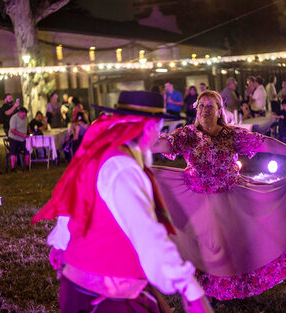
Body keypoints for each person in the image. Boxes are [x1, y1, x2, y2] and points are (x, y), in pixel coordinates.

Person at [31, 90, 213, 313]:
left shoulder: (102, 154)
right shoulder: (123, 168)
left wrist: (61, 243)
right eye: (159, 127)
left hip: (82, 287)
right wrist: (191, 291)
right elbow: (147, 233)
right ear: (149, 128)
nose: (159, 134)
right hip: (106, 296)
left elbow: (75, 201)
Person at [151, 90, 286, 300]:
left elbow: (264, 142)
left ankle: (225, 287)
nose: (204, 110)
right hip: (196, 197)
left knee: (232, 246)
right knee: (203, 248)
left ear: (219, 111)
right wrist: (134, 146)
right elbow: (165, 143)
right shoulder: (187, 135)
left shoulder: (232, 134)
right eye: (201, 106)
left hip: (231, 197)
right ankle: (202, 292)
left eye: (210, 106)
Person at [8, 107, 30, 172]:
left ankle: (27, 165)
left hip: (23, 139)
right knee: (13, 152)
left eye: (25, 115)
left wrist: (29, 132)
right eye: (23, 115)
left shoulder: (26, 118)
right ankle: (12, 168)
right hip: (14, 138)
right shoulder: (14, 118)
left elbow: (27, 125)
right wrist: (22, 135)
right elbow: (12, 130)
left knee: (27, 150)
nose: (24, 117)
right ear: (19, 113)